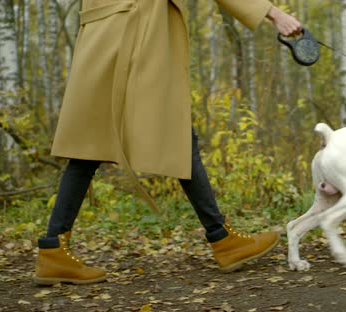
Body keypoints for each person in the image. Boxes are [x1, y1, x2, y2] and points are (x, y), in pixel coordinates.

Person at [34, 0, 302, 285]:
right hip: (132, 36)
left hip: (105, 38)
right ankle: (223, 239)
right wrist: (273, 13)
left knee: (92, 145)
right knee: (147, 138)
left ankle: (54, 250)